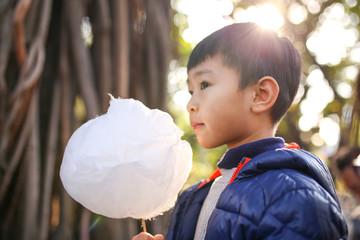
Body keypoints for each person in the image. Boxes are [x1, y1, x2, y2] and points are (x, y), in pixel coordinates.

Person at [132, 22, 348, 240]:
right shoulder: (194, 196)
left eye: (204, 85)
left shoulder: (296, 199)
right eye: (190, 91)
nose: (190, 104)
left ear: (260, 95)